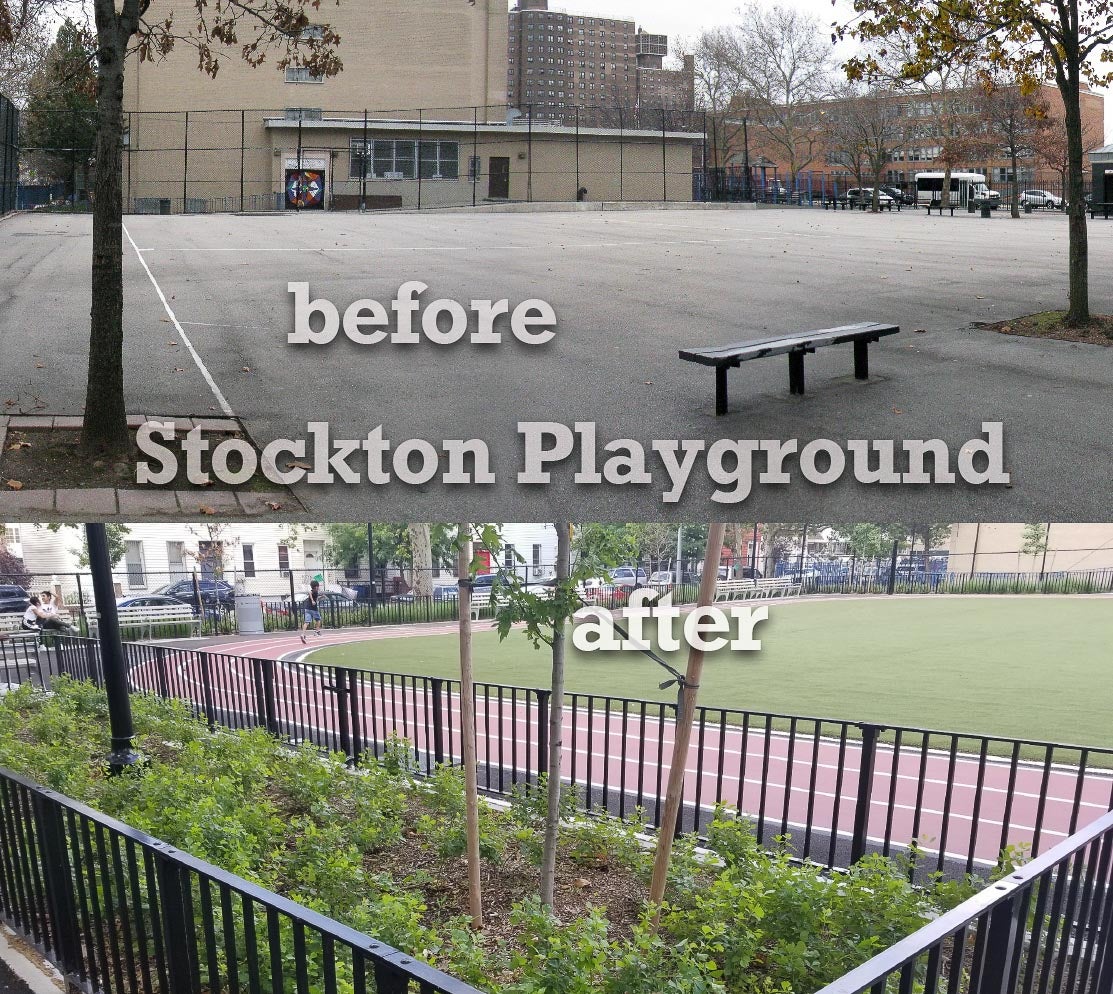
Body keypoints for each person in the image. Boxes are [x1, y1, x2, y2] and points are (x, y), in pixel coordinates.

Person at [300, 580, 323, 644]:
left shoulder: (315, 592)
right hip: (313, 609)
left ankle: (303, 634)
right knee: (318, 620)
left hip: (307, 609)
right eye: (318, 586)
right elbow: (310, 592)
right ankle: (317, 631)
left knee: (306, 622)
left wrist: (321, 597)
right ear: (316, 587)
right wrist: (312, 600)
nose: (318, 588)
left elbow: (316, 599)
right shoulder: (314, 591)